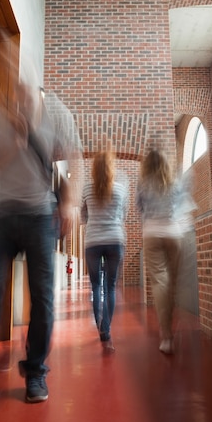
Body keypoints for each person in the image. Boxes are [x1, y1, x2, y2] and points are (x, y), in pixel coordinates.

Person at [0, 74, 78, 402]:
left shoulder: (54, 122)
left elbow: (71, 162)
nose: (21, 102)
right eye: (17, 96)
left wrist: (69, 202)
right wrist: (14, 146)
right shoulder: (0, 124)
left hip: (38, 217)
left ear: (40, 97)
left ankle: (35, 371)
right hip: (4, 216)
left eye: (28, 96)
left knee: (43, 299)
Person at [136, 148, 195, 355]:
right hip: (173, 233)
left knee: (161, 282)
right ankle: (170, 319)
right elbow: (184, 206)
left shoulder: (142, 184)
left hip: (151, 233)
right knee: (173, 284)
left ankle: (166, 335)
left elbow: (140, 209)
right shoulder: (174, 182)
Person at [81, 150, 128, 352]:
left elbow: (83, 217)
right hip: (114, 239)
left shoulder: (86, 189)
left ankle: (102, 326)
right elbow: (123, 215)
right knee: (110, 286)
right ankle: (106, 328)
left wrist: (94, 220)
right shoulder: (119, 189)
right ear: (111, 169)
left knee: (96, 286)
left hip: (92, 241)